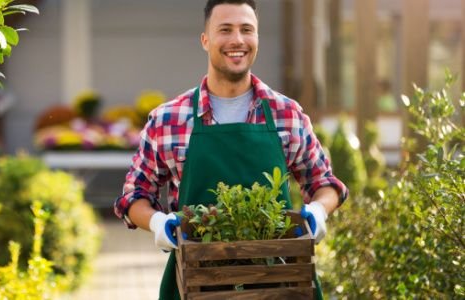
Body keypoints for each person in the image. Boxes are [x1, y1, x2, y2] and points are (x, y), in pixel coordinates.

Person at [113, 1, 349, 299]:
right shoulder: (168, 119)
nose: (237, 40)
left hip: (280, 283)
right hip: (196, 283)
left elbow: (325, 184)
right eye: (225, 29)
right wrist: (159, 223)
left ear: (257, 39)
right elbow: (133, 197)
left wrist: (317, 211)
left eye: (246, 30)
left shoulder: (286, 114)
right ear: (205, 40)